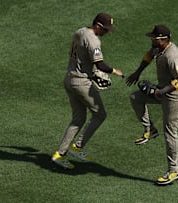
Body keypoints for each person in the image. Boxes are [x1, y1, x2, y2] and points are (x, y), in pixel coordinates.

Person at [52, 13, 124, 169]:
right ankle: (77, 147)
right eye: (105, 29)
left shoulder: (80, 31)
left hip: (69, 79)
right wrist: (114, 71)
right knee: (100, 114)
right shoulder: (93, 40)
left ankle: (60, 154)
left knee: (78, 119)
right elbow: (100, 65)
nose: (106, 32)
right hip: (81, 83)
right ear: (97, 25)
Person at [126, 25, 178, 185]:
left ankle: (174, 170)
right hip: (162, 91)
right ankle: (150, 130)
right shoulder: (157, 48)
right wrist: (137, 72)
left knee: (170, 132)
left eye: (154, 38)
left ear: (163, 39)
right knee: (136, 97)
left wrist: (161, 92)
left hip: (176, 97)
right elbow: (149, 55)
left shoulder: (172, 55)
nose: (151, 40)